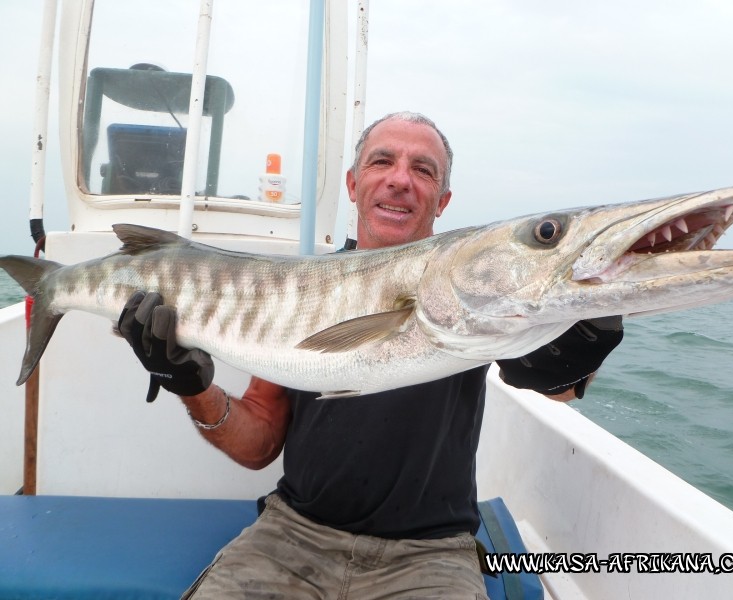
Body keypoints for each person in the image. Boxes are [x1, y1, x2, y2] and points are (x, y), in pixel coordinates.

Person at [118, 112, 623, 599]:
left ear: (443, 200)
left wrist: (583, 342)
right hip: (294, 537)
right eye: (382, 162)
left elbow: (557, 386)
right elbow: (257, 445)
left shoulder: (473, 293)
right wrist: (191, 387)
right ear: (352, 184)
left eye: (423, 170)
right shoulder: (298, 290)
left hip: (432, 555)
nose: (400, 180)